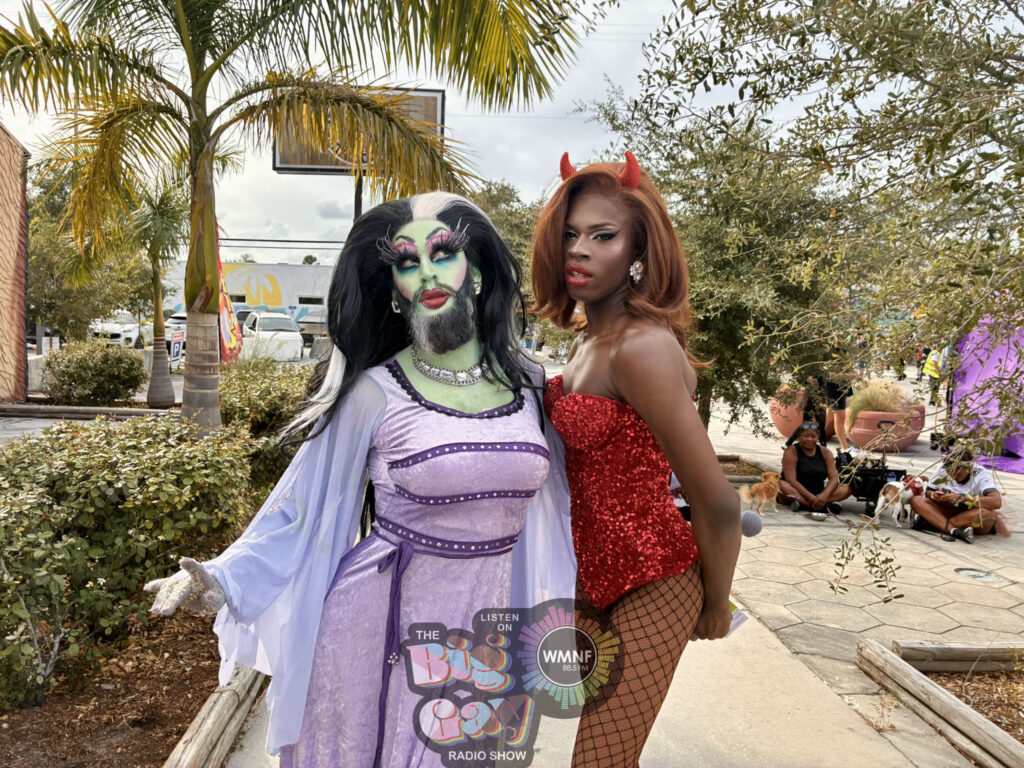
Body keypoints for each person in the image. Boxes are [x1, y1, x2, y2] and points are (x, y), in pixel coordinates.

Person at [144, 192, 576, 767]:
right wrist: (223, 579)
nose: (427, 273)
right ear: (394, 291)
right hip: (383, 629)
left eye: (443, 253)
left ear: (477, 272)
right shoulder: (375, 392)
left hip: (484, 634)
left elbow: (575, 496)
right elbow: (302, 508)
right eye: (407, 262)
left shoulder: (530, 387)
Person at [531, 151, 741, 767]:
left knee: (599, 762)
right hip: (588, 579)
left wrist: (715, 601)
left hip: (656, 578)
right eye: (570, 234)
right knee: (599, 750)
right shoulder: (587, 342)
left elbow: (719, 502)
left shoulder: (640, 347)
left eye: (603, 235)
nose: (579, 249)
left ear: (638, 251)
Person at [910, 446, 1010, 543]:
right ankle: (954, 530)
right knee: (916, 500)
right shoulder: (943, 468)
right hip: (947, 509)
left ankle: (937, 523)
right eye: (950, 473)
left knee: (986, 515)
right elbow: (928, 492)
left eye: (957, 474)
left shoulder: (981, 474)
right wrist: (934, 496)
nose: (954, 476)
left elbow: (996, 502)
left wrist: (961, 498)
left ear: (967, 467)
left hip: (968, 514)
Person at [778, 421, 853, 517]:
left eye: (813, 436)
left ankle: (804, 504)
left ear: (818, 437)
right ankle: (819, 505)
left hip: (818, 492)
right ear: (799, 437)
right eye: (806, 436)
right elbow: (791, 480)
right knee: (781, 484)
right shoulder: (791, 451)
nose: (809, 439)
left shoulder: (826, 452)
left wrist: (824, 495)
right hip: (796, 490)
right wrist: (811, 498)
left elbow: (834, 478)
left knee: (846, 489)